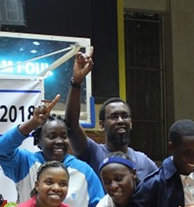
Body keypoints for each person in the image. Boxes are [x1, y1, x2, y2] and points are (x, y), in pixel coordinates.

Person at [0, 94, 104, 207]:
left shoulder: (84, 171)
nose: (59, 141)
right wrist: (33, 123)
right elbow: (1, 149)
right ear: (38, 141)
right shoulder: (25, 162)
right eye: (52, 136)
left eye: (64, 136)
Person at [65, 47, 158, 179]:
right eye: (114, 117)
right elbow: (71, 125)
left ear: (131, 123)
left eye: (125, 116)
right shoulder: (93, 152)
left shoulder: (144, 162)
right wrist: (77, 83)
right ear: (102, 124)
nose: (120, 120)